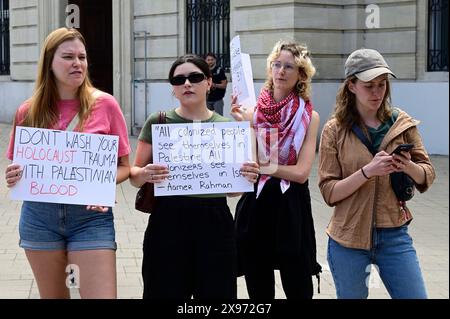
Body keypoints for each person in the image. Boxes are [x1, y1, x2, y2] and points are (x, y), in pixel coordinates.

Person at [4, 28, 131, 299]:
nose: (78, 63)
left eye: (82, 57)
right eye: (68, 57)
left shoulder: (106, 105)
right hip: (40, 218)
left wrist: (100, 184)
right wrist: (14, 175)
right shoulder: (28, 110)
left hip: (90, 218)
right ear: (49, 63)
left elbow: (124, 167)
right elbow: (18, 167)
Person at [129, 54, 259, 299]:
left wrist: (246, 176)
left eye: (195, 77)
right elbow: (134, 176)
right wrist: (145, 173)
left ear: (209, 82)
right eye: (179, 80)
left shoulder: (226, 127)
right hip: (167, 220)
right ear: (173, 89)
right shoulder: (157, 122)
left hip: (215, 222)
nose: (187, 83)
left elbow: (233, 190)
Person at [318, 48, 435, 299]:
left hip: (394, 234)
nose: (377, 92)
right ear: (351, 86)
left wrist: (408, 166)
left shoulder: (401, 123)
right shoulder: (334, 130)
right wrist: (367, 171)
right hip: (347, 237)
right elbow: (329, 192)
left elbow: (427, 175)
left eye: (382, 85)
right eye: (369, 85)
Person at [230, 40, 322, 299]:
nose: (281, 71)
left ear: (301, 74)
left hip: (290, 205)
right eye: (276, 64)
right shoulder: (252, 111)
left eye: (289, 67)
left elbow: (301, 173)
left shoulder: (308, 116)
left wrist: (263, 166)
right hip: (256, 203)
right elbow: (246, 163)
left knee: (298, 284)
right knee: (258, 285)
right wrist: (243, 126)